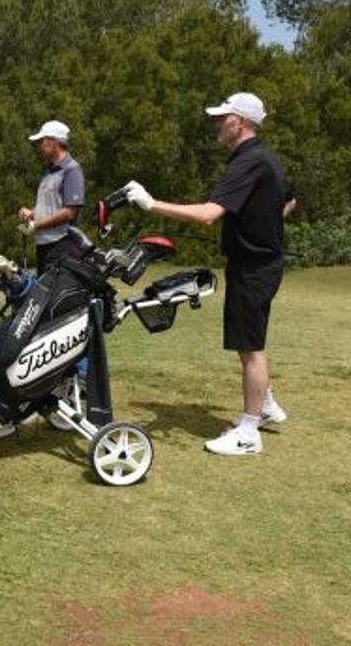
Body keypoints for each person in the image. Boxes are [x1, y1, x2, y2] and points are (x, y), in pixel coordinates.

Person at [122, 92, 296, 456]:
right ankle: (263, 403)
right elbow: (288, 199)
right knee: (247, 340)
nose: (218, 124)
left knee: (251, 348)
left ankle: (249, 432)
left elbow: (207, 215)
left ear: (241, 122)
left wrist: (151, 204)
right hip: (258, 263)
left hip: (255, 267)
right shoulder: (262, 158)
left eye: (223, 118)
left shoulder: (248, 161)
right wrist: (258, 222)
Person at [18, 120, 86, 275]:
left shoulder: (71, 170)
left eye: (42, 141)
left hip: (62, 245)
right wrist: (32, 213)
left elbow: (70, 212)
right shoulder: (50, 172)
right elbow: (51, 206)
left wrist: (36, 225)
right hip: (45, 245)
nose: (39, 146)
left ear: (53, 142)